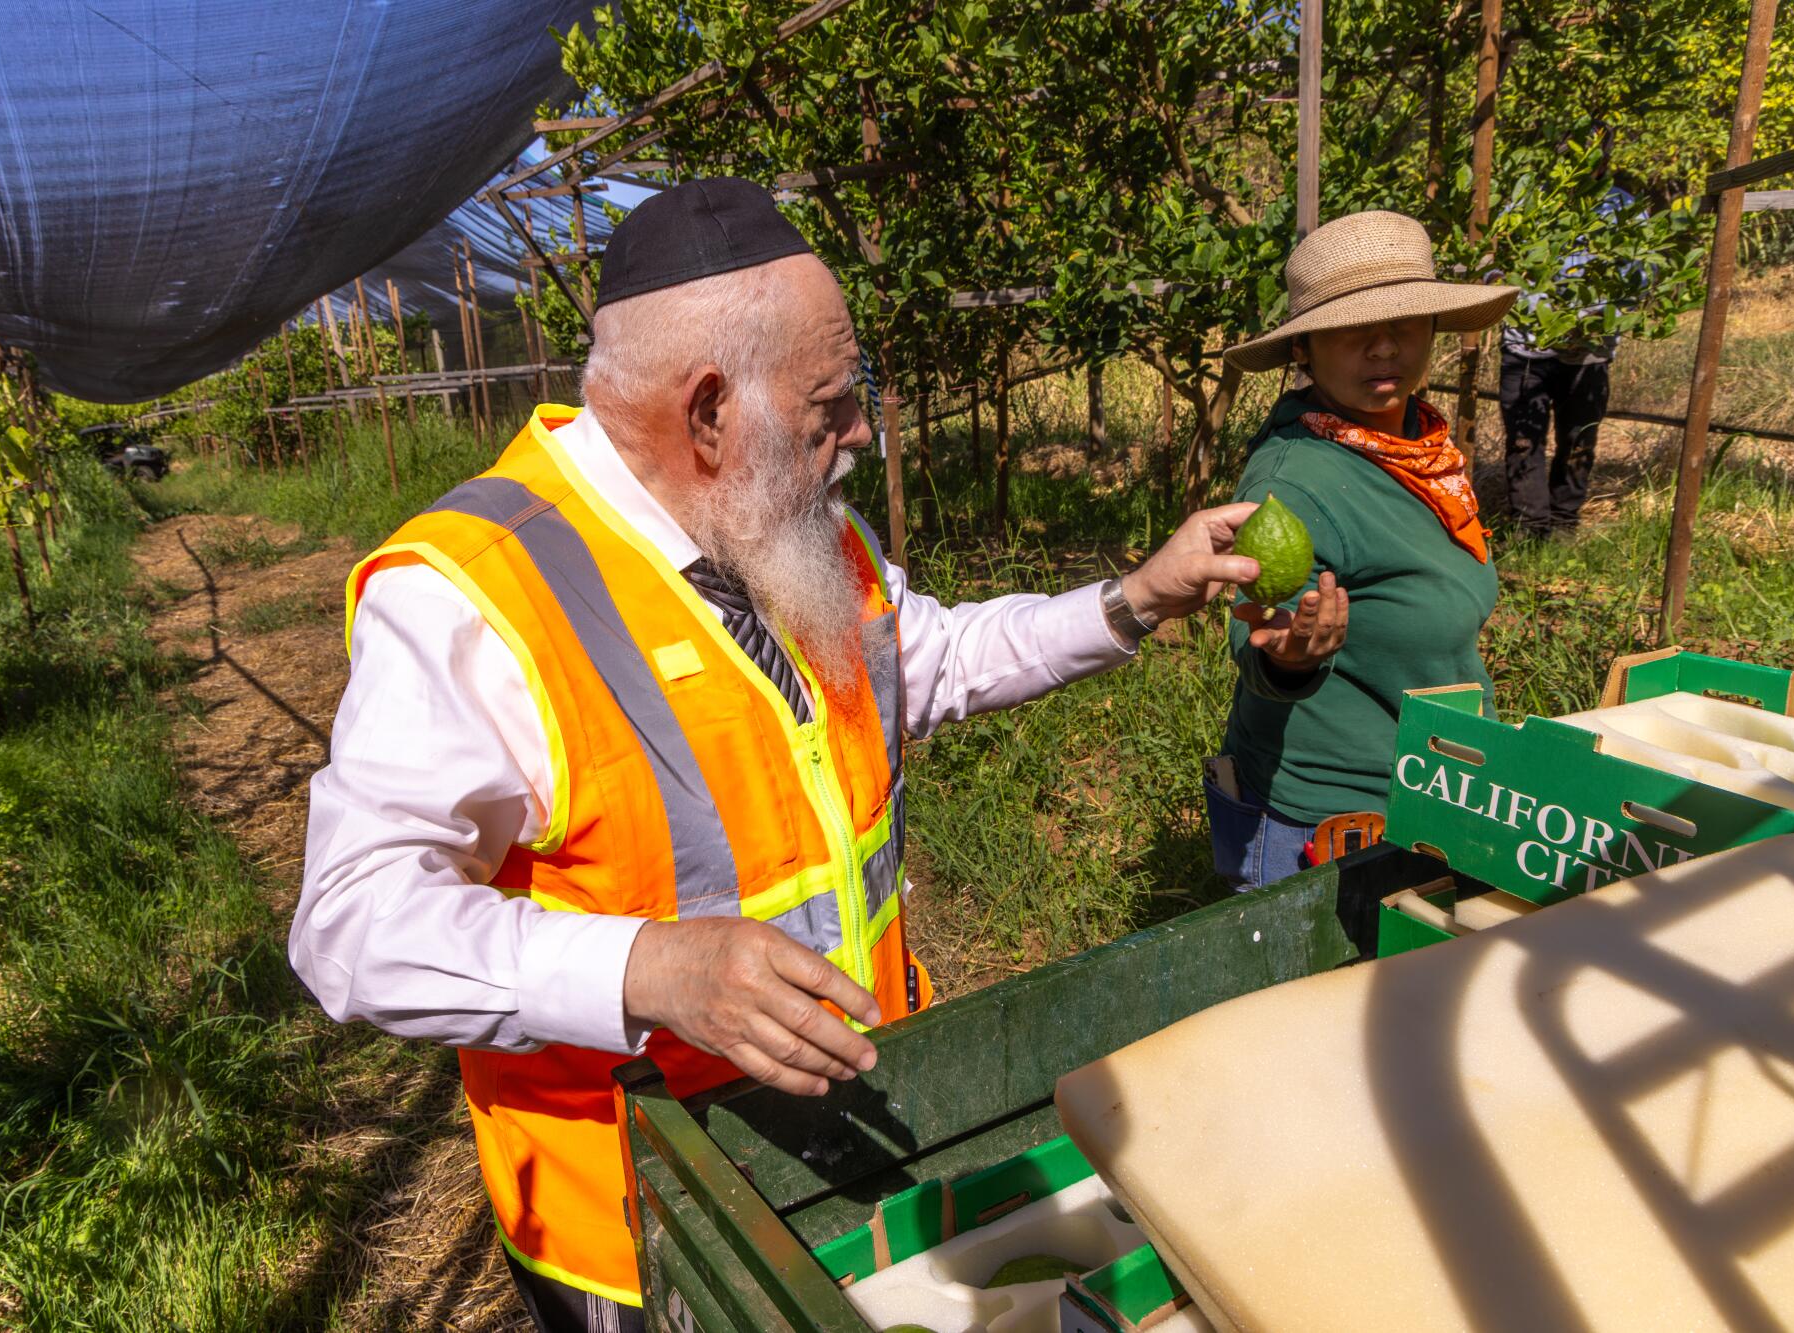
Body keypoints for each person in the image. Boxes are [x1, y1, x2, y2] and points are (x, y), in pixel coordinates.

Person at [288, 178, 1262, 1332]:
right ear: (708, 414)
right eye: (831, 405)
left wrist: (1130, 600)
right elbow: (349, 925)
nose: (859, 436)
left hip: (845, 1143)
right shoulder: (478, 595)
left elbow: (924, 662)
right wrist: (646, 968)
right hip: (647, 1229)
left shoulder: (786, 518)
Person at [1208, 210, 1519, 890]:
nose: (1384, 346)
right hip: (1331, 833)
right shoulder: (1297, 481)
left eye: (1405, 321)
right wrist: (1290, 657)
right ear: (1304, 350)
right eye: (1354, 328)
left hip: (1437, 794)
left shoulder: (1420, 448)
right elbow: (1258, 636)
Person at [1500, 187, 1642, 537]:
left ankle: (1564, 524)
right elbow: (1496, 255)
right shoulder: (1526, 199)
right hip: (1526, 346)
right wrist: (1495, 280)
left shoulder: (1621, 206)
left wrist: (1595, 319)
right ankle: (1528, 530)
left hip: (1588, 350)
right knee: (1523, 442)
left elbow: (1637, 277)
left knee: (1579, 440)